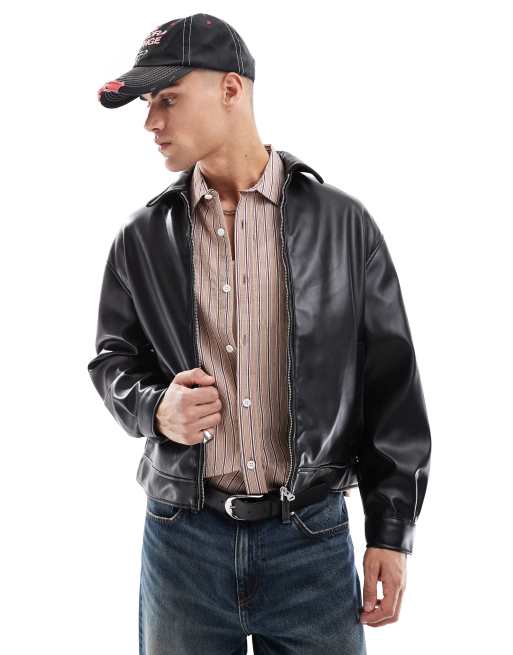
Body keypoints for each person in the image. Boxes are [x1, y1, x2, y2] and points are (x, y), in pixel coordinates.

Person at [89, 12, 431, 655]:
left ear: (231, 89)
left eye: (167, 99)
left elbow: (391, 382)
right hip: (182, 544)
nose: (150, 122)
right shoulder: (141, 238)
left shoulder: (343, 225)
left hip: (311, 542)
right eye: (145, 104)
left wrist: (390, 530)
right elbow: (112, 359)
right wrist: (155, 408)